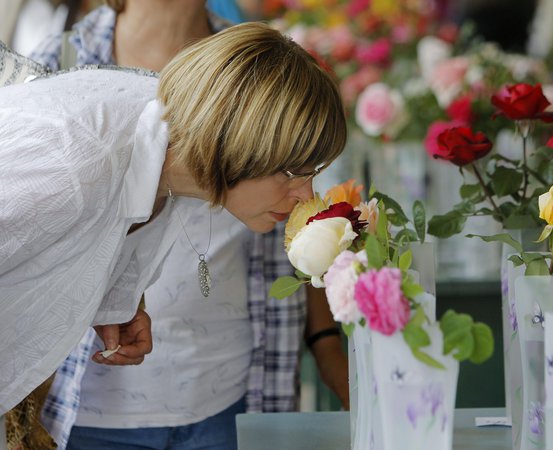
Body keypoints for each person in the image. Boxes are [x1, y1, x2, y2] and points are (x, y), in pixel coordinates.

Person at [0, 19, 347, 449]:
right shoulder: (76, 159)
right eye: (294, 171)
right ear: (235, 140)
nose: (306, 196)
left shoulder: (169, 154)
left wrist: (114, 300)